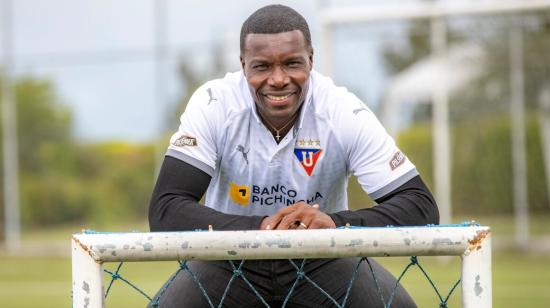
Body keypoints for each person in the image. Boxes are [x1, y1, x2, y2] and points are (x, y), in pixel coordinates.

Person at [148, 4, 438, 308]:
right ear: (243, 64)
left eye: (292, 63)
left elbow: (420, 205)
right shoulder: (214, 104)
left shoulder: (341, 110)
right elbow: (166, 207)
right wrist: (263, 228)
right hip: (228, 256)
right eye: (262, 66)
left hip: (323, 257)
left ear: (311, 60)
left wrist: (332, 224)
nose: (278, 79)